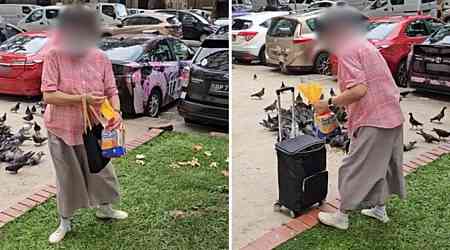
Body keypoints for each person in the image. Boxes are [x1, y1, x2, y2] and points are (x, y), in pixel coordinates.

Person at [312, 7, 406, 230]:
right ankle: (378, 208)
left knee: (352, 166)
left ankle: (342, 215)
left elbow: (359, 90)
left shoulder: (347, 51)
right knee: (382, 165)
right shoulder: (365, 45)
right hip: (391, 113)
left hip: (374, 118)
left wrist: (329, 103)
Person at [41, 5, 128, 243]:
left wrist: (116, 112)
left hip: (96, 129)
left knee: (102, 171)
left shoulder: (101, 58)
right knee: (67, 176)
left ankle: (105, 209)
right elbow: (48, 95)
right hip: (61, 128)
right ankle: (65, 222)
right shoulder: (54, 55)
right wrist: (82, 100)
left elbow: (111, 90)